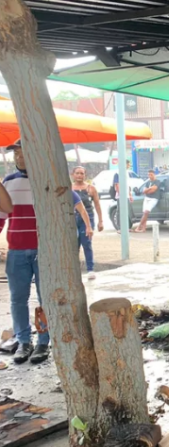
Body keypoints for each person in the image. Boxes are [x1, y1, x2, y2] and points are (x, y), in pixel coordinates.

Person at [0, 140, 88, 364]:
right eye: (16, 154)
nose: (19, 157)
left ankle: (43, 341)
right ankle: (23, 341)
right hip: (17, 251)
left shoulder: (48, 183)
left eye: (24, 153)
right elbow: (1, 217)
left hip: (45, 251)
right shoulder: (8, 183)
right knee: (18, 299)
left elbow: (67, 210)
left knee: (45, 298)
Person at [72, 166, 103, 280]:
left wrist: (100, 221)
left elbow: (97, 205)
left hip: (87, 218)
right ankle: (74, 269)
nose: (79, 176)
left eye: (82, 173)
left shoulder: (91, 189)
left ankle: (90, 269)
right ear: (73, 175)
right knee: (74, 245)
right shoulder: (69, 188)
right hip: (73, 218)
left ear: (85, 175)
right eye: (77, 173)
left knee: (87, 243)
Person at [113, 160, 133, 234]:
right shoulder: (117, 173)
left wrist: (130, 195)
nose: (129, 165)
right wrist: (121, 194)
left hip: (127, 195)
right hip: (121, 196)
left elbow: (128, 186)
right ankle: (119, 228)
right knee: (120, 211)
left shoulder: (127, 173)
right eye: (128, 164)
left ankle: (127, 227)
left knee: (127, 211)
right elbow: (117, 185)